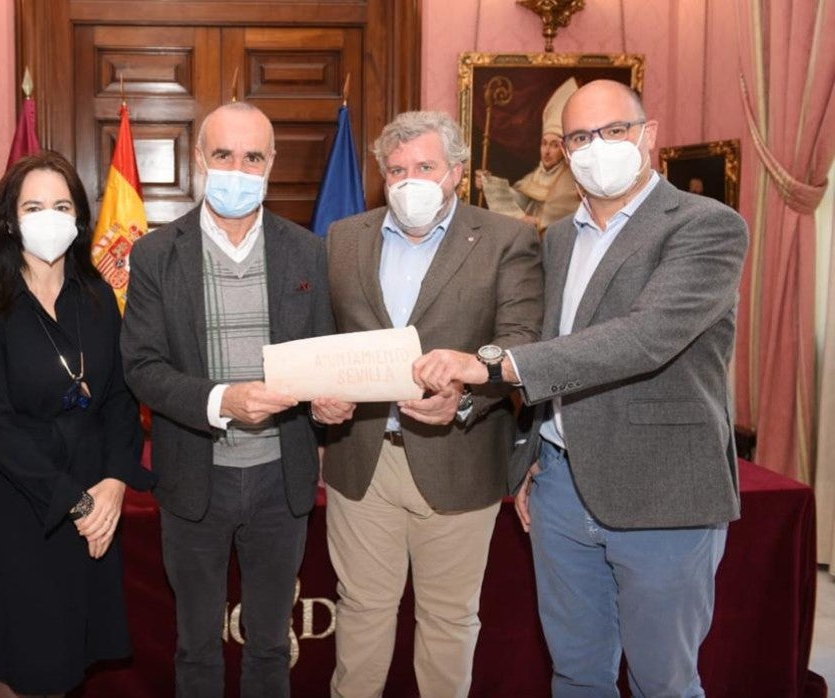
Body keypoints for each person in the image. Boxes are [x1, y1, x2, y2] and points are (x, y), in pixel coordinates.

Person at [412, 80, 748, 697]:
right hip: (562, 488)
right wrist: (517, 439)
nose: (596, 147)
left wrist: (489, 366)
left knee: (663, 681)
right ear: (563, 150)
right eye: (578, 137)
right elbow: (549, 343)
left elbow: (645, 338)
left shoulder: (707, 226)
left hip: (663, 490)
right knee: (576, 672)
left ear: (648, 136)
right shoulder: (561, 237)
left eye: (613, 131)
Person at [314, 111, 543, 698]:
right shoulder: (345, 237)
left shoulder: (506, 238)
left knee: (448, 621)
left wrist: (464, 393)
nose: (408, 181)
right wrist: (322, 396)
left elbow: (521, 341)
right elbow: (325, 339)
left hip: (460, 458)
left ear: (457, 173)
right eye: (396, 170)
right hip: (361, 459)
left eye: (425, 167)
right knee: (361, 611)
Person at [120, 101, 334, 698]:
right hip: (195, 477)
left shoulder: (307, 251)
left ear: (271, 164)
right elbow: (141, 366)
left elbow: (322, 357)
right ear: (198, 161)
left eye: (253, 157)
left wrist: (331, 401)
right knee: (195, 647)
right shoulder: (157, 254)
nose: (238, 169)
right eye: (223, 155)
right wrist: (220, 401)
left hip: (280, 479)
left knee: (270, 645)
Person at [0, 151, 155, 698]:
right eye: (34, 205)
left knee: (71, 654)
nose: (50, 216)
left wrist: (114, 484)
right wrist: (78, 503)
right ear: (9, 219)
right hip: (22, 506)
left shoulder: (98, 300)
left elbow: (119, 400)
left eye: (62, 204)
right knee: (25, 663)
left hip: (96, 491)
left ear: (79, 218)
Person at [477, 77, 580, 233]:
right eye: (544, 143)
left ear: (564, 149)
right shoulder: (538, 174)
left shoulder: (570, 181)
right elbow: (519, 201)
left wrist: (535, 222)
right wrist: (488, 184)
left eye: (554, 145)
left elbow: (558, 218)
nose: (546, 151)